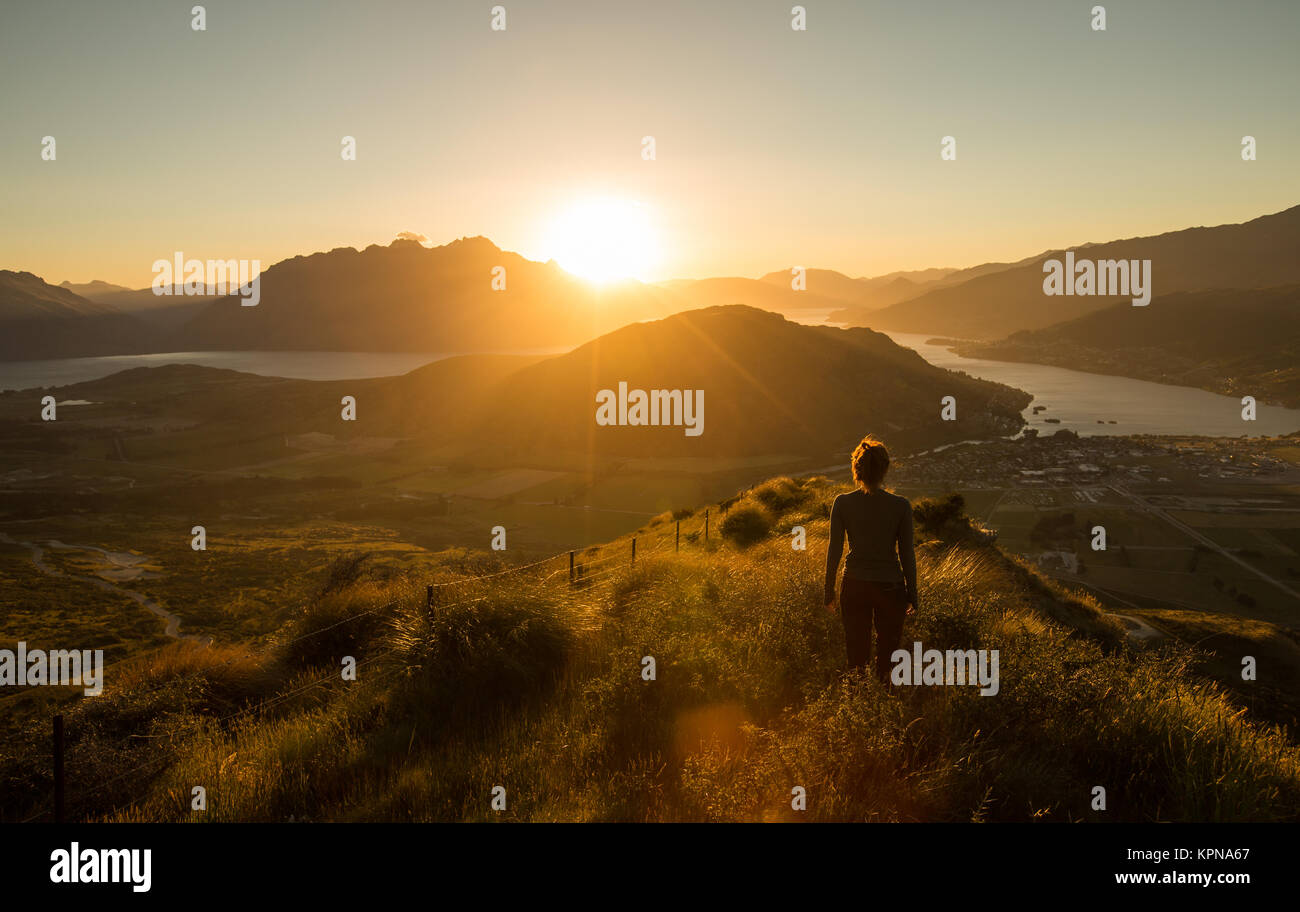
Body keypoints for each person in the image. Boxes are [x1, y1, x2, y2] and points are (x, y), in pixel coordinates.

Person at [824, 435, 918, 684]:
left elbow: (834, 550)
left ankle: (858, 703)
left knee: (856, 652)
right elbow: (907, 553)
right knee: (888, 655)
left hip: (854, 585)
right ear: (885, 469)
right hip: (891, 587)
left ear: (856, 469)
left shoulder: (843, 503)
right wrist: (913, 595)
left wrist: (828, 592)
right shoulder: (901, 506)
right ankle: (884, 702)